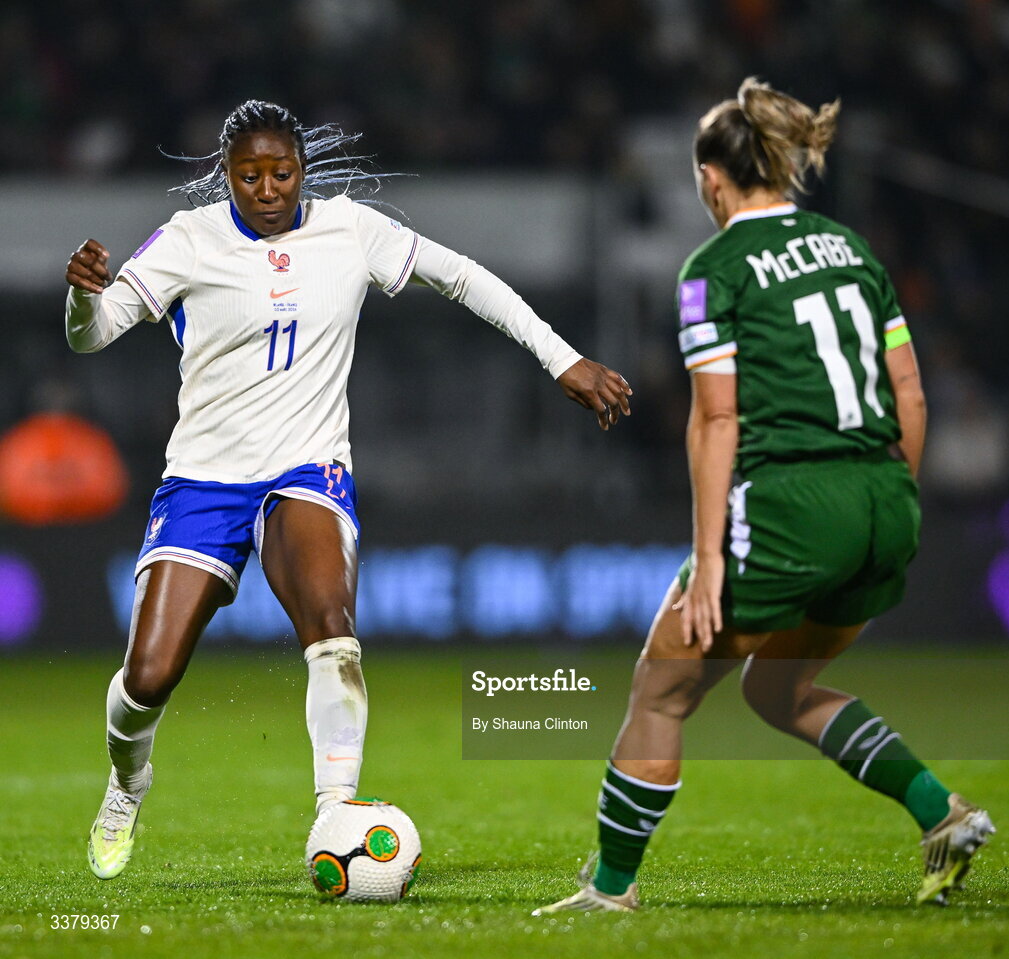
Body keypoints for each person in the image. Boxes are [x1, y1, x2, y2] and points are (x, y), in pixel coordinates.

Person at [65, 99, 633, 881]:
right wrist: (82, 296)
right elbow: (92, 333)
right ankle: (128, 784)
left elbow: (461, 277)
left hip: (307, 467)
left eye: (282, 172)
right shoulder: (189, 241)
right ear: (224, 176)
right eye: (249, 175)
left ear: (303, 169)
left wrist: (561, 357)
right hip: (205, 476)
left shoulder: (350, 229)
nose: (267, 189)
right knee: (149, 676)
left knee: (333, 630)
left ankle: (336, 809)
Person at [534, 78, 994, 915]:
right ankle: (942, 810)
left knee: (662, 686)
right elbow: (913, 398)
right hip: (886, 502)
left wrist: (709, 560)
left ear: (713, 178)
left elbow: (716, 419)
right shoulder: (853, 250)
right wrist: (890, 502)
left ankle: (609, 889)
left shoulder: (713, 268)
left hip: (791, 504)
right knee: (777, 688)